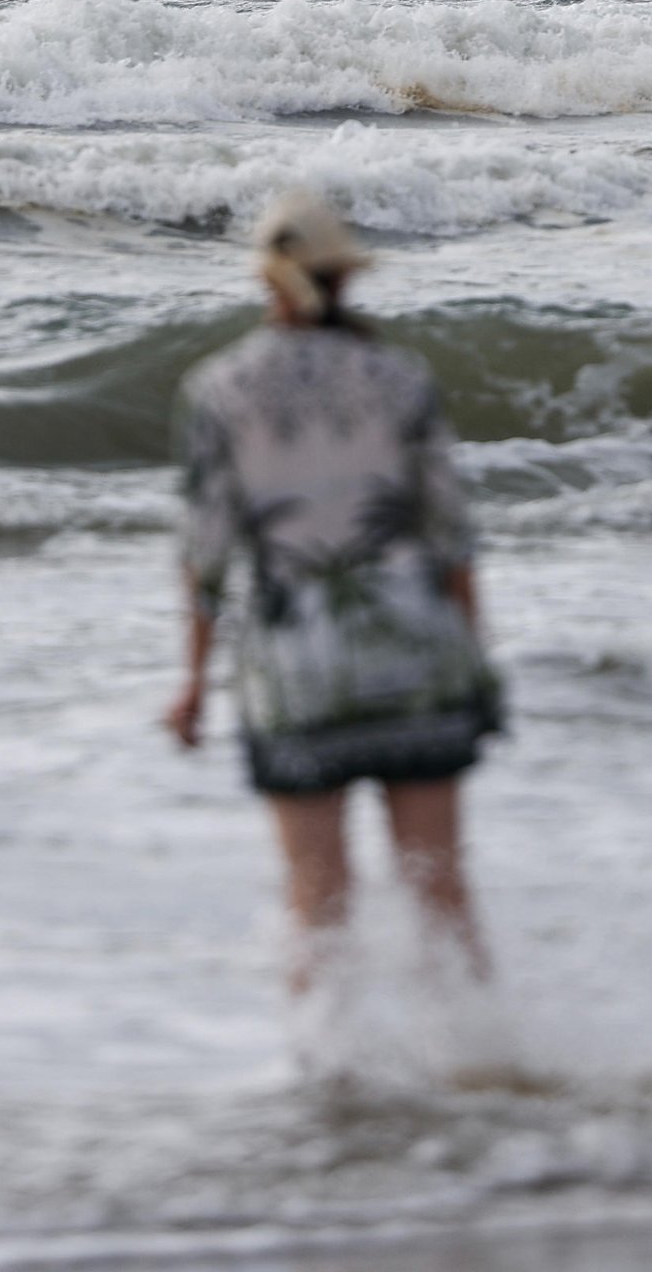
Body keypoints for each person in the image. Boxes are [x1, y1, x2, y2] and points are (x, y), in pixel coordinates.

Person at [165, 189, 505, 986]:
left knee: (315, 899)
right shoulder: (399, 378)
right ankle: (479, 1068)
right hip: (415, 651)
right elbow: (452, 536)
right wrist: (474, 655)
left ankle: (327, 1080)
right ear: (343, 277)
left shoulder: (218, 388)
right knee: (441, 891)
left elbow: (205, 552)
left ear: (268, 284)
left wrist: (192, 686)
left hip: (297, 665)